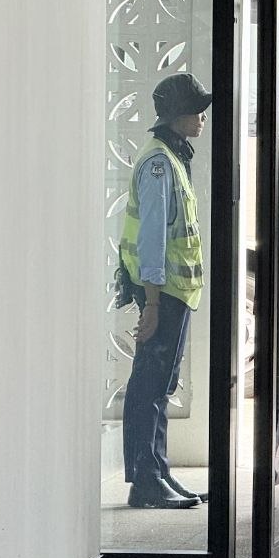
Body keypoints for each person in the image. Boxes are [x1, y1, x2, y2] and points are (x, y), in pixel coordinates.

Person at [114, 72, 212, 510]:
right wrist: (151, 302)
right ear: (177, 114)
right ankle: (146, 481)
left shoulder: (172, 155)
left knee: (161, 384)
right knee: (150, 385)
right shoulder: (159, 163)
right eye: (196, 110)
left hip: (173, 291)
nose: (202, 117)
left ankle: (158, 472)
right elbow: (152, 236)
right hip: (162, 292)